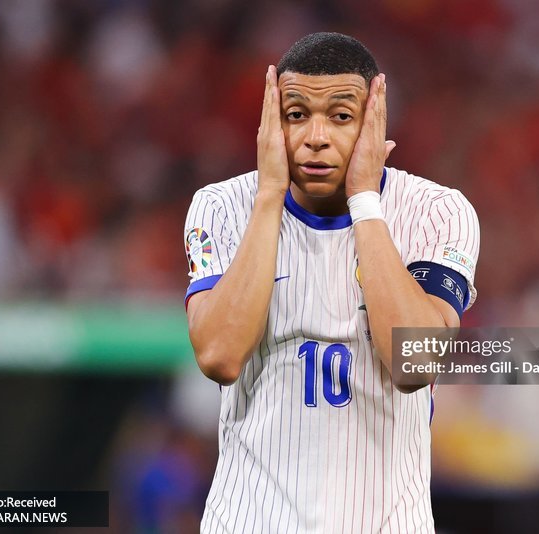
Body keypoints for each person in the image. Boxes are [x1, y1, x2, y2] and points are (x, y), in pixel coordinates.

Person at [184, 32, 479, 533]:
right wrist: (269, 195)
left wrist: (365, 200)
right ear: (271, 122)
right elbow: (219, 355)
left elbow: (414, 362)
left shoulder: (438, 211)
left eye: (341, 116)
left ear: (374, 120)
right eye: (296, 114)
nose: (315, 136)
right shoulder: (221, 206)